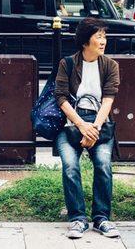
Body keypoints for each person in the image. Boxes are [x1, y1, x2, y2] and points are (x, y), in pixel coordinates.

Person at [54, 18, 120, 239]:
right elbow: (61, 98)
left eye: (104, 36)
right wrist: (82, 126)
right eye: (98, 36)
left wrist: (94, 129)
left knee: (102, 164)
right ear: (85, 41)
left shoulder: (110, 65)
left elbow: (108, 100)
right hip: (71, 124)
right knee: (71, 166)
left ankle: (102, 218)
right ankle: (78, 219)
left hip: (99, 124)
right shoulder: (68, 64)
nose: (103, 41)